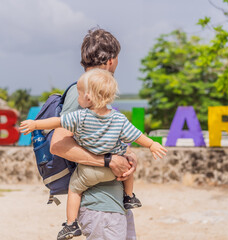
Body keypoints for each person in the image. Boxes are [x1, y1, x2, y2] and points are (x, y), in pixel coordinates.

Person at [20, 69, 167, 240]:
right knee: (128, 164)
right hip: (114, 172)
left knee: (74, 189)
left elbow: (57, 122)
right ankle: (129, 196)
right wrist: (152, 144)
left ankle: (70, 224)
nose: (78, 97)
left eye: (80, 93)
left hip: (90, 170)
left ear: (88, 98)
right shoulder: (118, 119)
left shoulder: (80, 117)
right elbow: (137, 136)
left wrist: (35, 124)